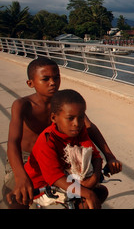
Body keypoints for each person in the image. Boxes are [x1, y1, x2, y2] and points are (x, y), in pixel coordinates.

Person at [4, 57, 121, 208]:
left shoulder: (65, 103)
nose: (52, 82)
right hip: (28, 159)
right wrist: (20, 176)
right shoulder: (23, 105)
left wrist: (110, 156)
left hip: (58, 156)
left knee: (89, 195)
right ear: (30, 83)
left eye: (56, 77)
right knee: (18, 199)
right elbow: (13, 142)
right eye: (45, 79)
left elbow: (89, 127)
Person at [24, 89, 108, 209]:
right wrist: (87, 193)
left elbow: (95, 155)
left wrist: (94, 178)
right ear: (54, 118)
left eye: (80, 118)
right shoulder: (47, 140)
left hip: (66, 176)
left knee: (101, 192)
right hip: (43, 186)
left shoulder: (79, 131)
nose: (76, 123)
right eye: (70, 118)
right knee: (88, 201)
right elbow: (54, 177)